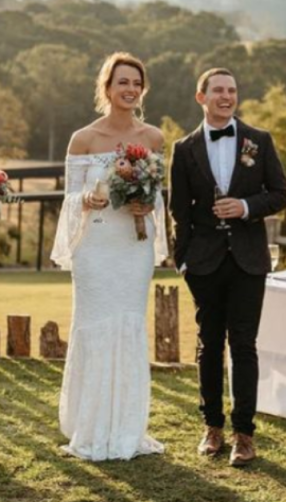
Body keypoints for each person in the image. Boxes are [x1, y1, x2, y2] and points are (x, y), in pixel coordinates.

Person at [169, 68, 286, 466]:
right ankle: (212, 426)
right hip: (203, 262)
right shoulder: (183, 148)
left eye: (232, 90)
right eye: (217, 90)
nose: (226, 97)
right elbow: (179, 211)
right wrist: (183, 259)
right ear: (200, 97)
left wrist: (244, 207)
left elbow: (281, 193)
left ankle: (244, 434)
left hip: (248, 259)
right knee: (208, 346)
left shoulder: (260, 140)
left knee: (244, 346)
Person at [51, 52, 167, 461]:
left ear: (142, 89)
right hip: (97, 247)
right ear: (107, 87)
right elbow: (70, 197)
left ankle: (126, 427)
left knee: (129, 326)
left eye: (136, 82)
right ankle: (90, 423)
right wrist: (87, 198)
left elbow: (157, 196)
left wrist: (146, 205)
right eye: (122, 82)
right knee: (95, 324)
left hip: (133, 248)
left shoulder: (153, 137)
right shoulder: (83, 138)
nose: (130, 89)